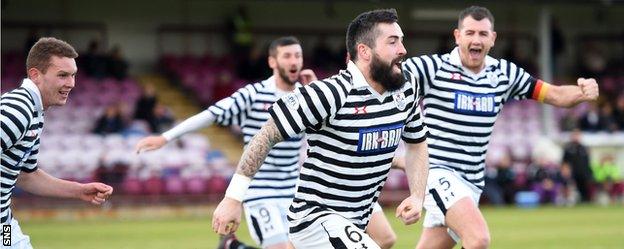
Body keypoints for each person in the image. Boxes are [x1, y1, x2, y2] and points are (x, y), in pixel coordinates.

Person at [212, 9, 429, 249]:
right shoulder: (329, 93)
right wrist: (233, 198)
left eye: (401, 40)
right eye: (392, 42)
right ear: (364, 51)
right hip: (314, 219)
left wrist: (417, 195)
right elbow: (265, 136)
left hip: (356, 220)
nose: (403, 50)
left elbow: (417, 143)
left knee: (385, 239)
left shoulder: (406, 88)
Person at [402, 6, 599, 249]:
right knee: (478, 239)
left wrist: (581, 92)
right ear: (457, 36)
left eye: (483, 34)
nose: (476, 39)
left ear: (493, 39)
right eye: (470, 33)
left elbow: (555, 94)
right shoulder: (431, 68)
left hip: (472, 182)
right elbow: (388, 78)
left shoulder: (504, 74)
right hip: (438, 173)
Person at [1, 37, 114, 248]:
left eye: (73, 75)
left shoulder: (35, 111)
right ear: (35, 75)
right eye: (62, 75)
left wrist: (79, 191)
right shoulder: (19, 110)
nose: (71, 83)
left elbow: (27, 175)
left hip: (5, 226)